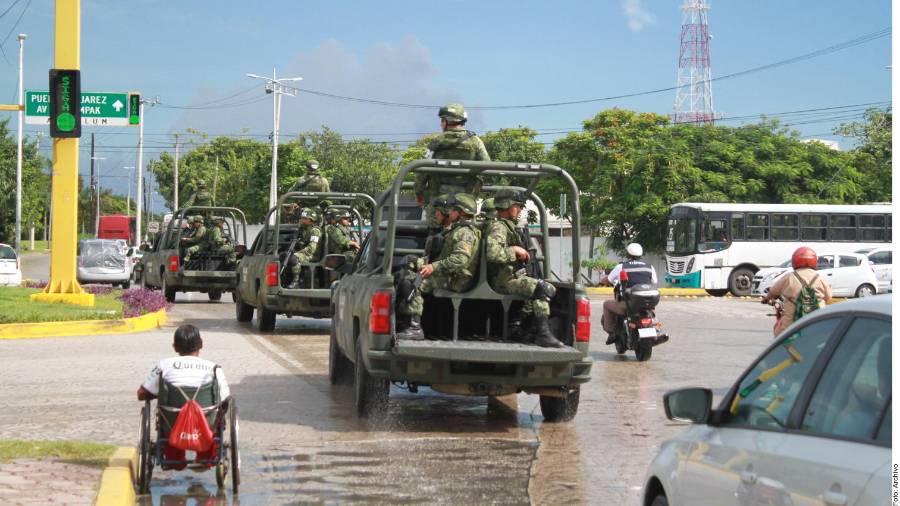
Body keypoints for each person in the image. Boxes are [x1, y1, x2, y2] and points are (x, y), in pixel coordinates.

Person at [137, 324, 230, 470]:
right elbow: (225, 398)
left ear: (175, 347)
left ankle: (175, 458)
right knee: (219, 412)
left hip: (171, 423)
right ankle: (206, 458)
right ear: (201, 344)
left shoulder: (164, 365)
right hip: (206, 424)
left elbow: (141, 394)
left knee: (166, 416)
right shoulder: (214, 368)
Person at [395, 193, 481, 339]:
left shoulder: (464, 232)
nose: (450, 212)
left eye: (453, 209)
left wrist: (433, 267)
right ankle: (405, 322)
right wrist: (420, 263)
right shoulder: (458, 230)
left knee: (414, 283)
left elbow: (460, 259)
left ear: (460, 212)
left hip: (458, 279)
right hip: (451, 274)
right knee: (406, 274)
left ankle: (415, 328)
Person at [485, 190, 563, 348]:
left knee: (545, 289)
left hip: (509, 277)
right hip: (503, 281)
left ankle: (519, 326)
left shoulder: (508, 226)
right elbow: (493, 254)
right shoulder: (499, 227)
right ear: (507, 205)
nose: (519, 209)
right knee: (542, 288)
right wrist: (514, 250)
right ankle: (542, 334)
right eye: (517, 206)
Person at [414, 103, 490, 231]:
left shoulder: (436, 142)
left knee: (434, 237)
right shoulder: (475, 141)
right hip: (466, 205)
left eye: (442, 121)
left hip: (438, 205)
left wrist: (419, 193)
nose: (441, 124)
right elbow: (487, 165)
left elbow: (422, 170)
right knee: (465, 235)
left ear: (446, 121)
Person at [761, 246, 832, 336]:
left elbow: (773, 291)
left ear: (794, 260)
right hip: (816, 323)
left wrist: (766, 299)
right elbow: (828, 296)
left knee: (779, 333)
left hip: (791, 326)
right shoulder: (819, 278)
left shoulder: (789, 277)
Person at [600, 243, 658, 345]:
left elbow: (608, 280)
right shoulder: (650, 267)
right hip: (646, 305)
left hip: (628, 305)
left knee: (606, 304)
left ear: (627, 254)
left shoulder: (621, 266)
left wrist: (602, 281)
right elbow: (654, 282)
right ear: (641, 254)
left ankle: (611, 333)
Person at [287, 207, 323, 288]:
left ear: (309, 220)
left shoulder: (315, 231)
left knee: (294, 258)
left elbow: (312, 249)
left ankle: (296, 282)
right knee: (286, 256)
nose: (301, 220)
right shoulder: (304, 230)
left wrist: (298, 253)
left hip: (313, 255)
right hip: (306, 253)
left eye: (303, 218)